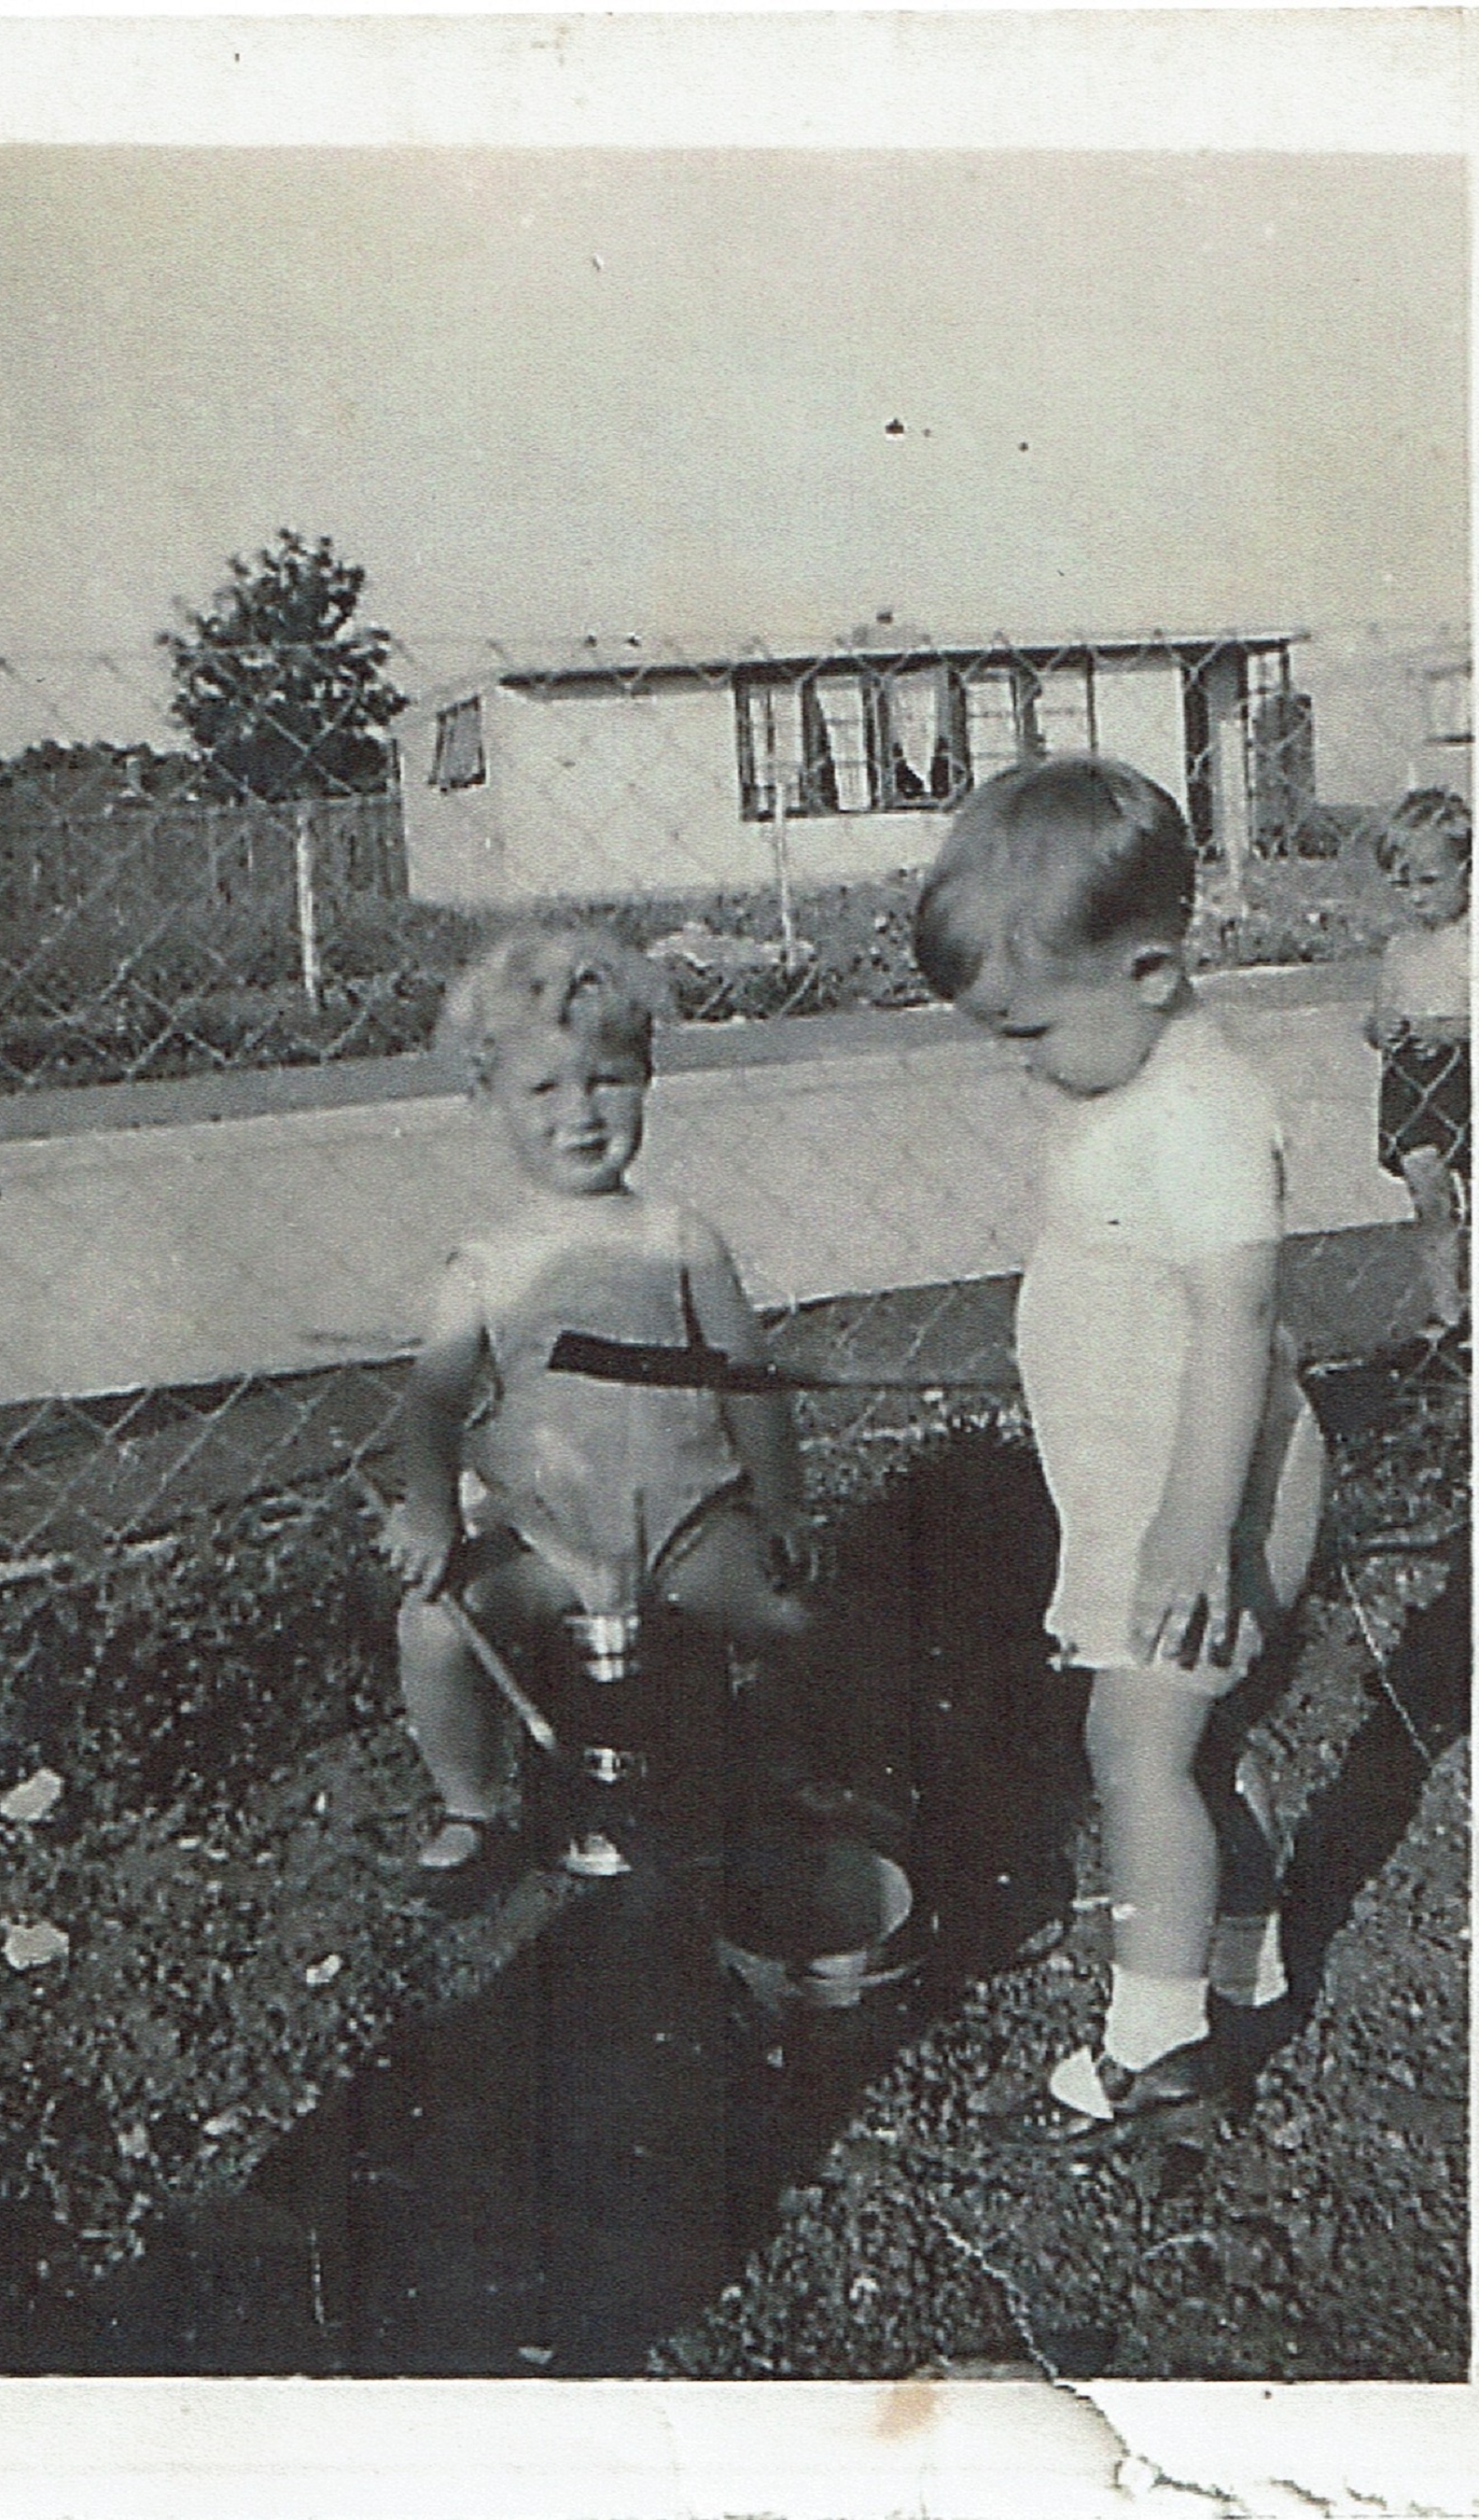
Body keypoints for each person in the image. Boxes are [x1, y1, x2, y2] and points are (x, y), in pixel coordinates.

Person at [913, 754, 1325, 2141]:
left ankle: (1155, 2048)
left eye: (1027, 1033)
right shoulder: (1124, 1085)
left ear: (1149, 970)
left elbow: (1231, 1328)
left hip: (1198, 1495)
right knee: (1193, 1747)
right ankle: (1234, 1960)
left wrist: (1190, 1530)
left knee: (1133, 1746)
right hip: (1146, 1489)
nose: (1019, 1068)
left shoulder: (1202, 1112)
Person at [374, 925, 814, 1884]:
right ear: (487, 1098)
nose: (579, 1113)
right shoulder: (487, 1262)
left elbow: (747, 1378)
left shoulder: (679, 1237)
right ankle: (471, 1801)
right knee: (435, 1627)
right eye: (543, 1089)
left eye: (605, 1080)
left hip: (688, 1523)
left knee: (795, 1620)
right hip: (548, 1538)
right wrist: (430, 1508)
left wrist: (779, 1501)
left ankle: (793, 1774)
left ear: (645, 1075)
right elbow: (434, 1400)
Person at [1365, 789, 1471, 1337]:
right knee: (1429, 1197)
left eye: (1430, 881)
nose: (1415, 898)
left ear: (1466, 871)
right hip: (1412, 1078)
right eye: (1402, 883)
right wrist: (1382, 1028)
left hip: (1467, 1075)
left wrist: (1449, 1030)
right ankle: (1445, 1309)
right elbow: (1377, 1018)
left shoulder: (1476, 939)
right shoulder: (1401, 947)